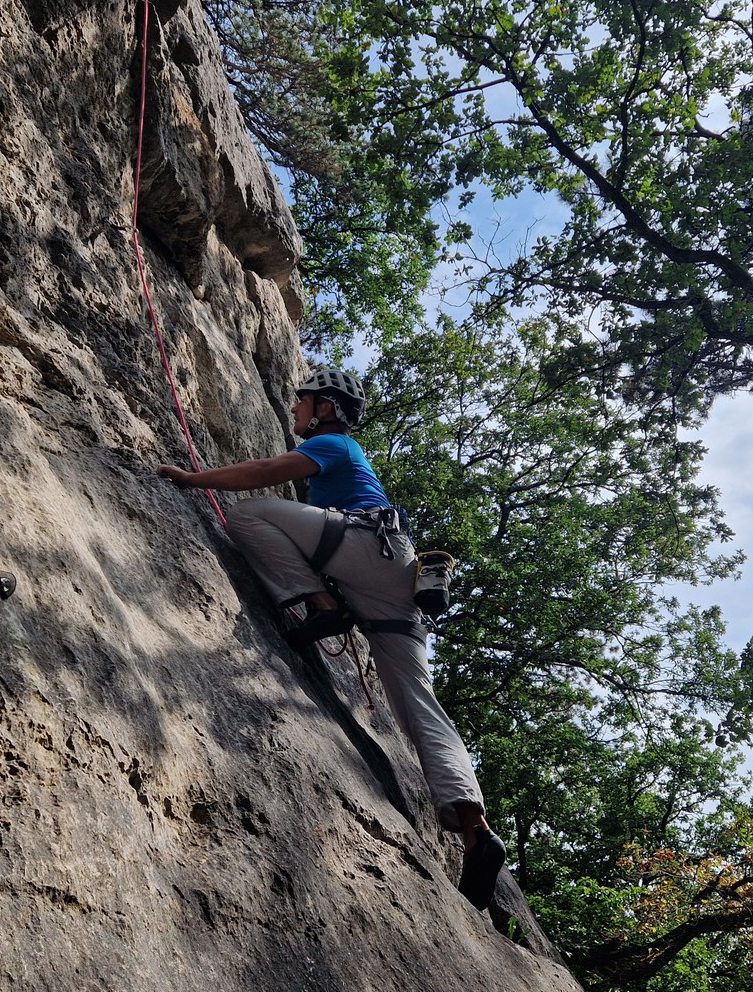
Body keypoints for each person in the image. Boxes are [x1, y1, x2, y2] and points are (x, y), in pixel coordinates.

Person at [158, 368, 508, 910]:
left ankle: (321, 607)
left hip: (365, 544)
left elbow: (265, 472)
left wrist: (190, 478)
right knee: (420, 706)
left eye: (302, 401)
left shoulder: (334, 443)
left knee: (247, 516)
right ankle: (474, 829)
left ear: (325, 407)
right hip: (399, 577)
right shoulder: (344, 452)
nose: (295, 409)